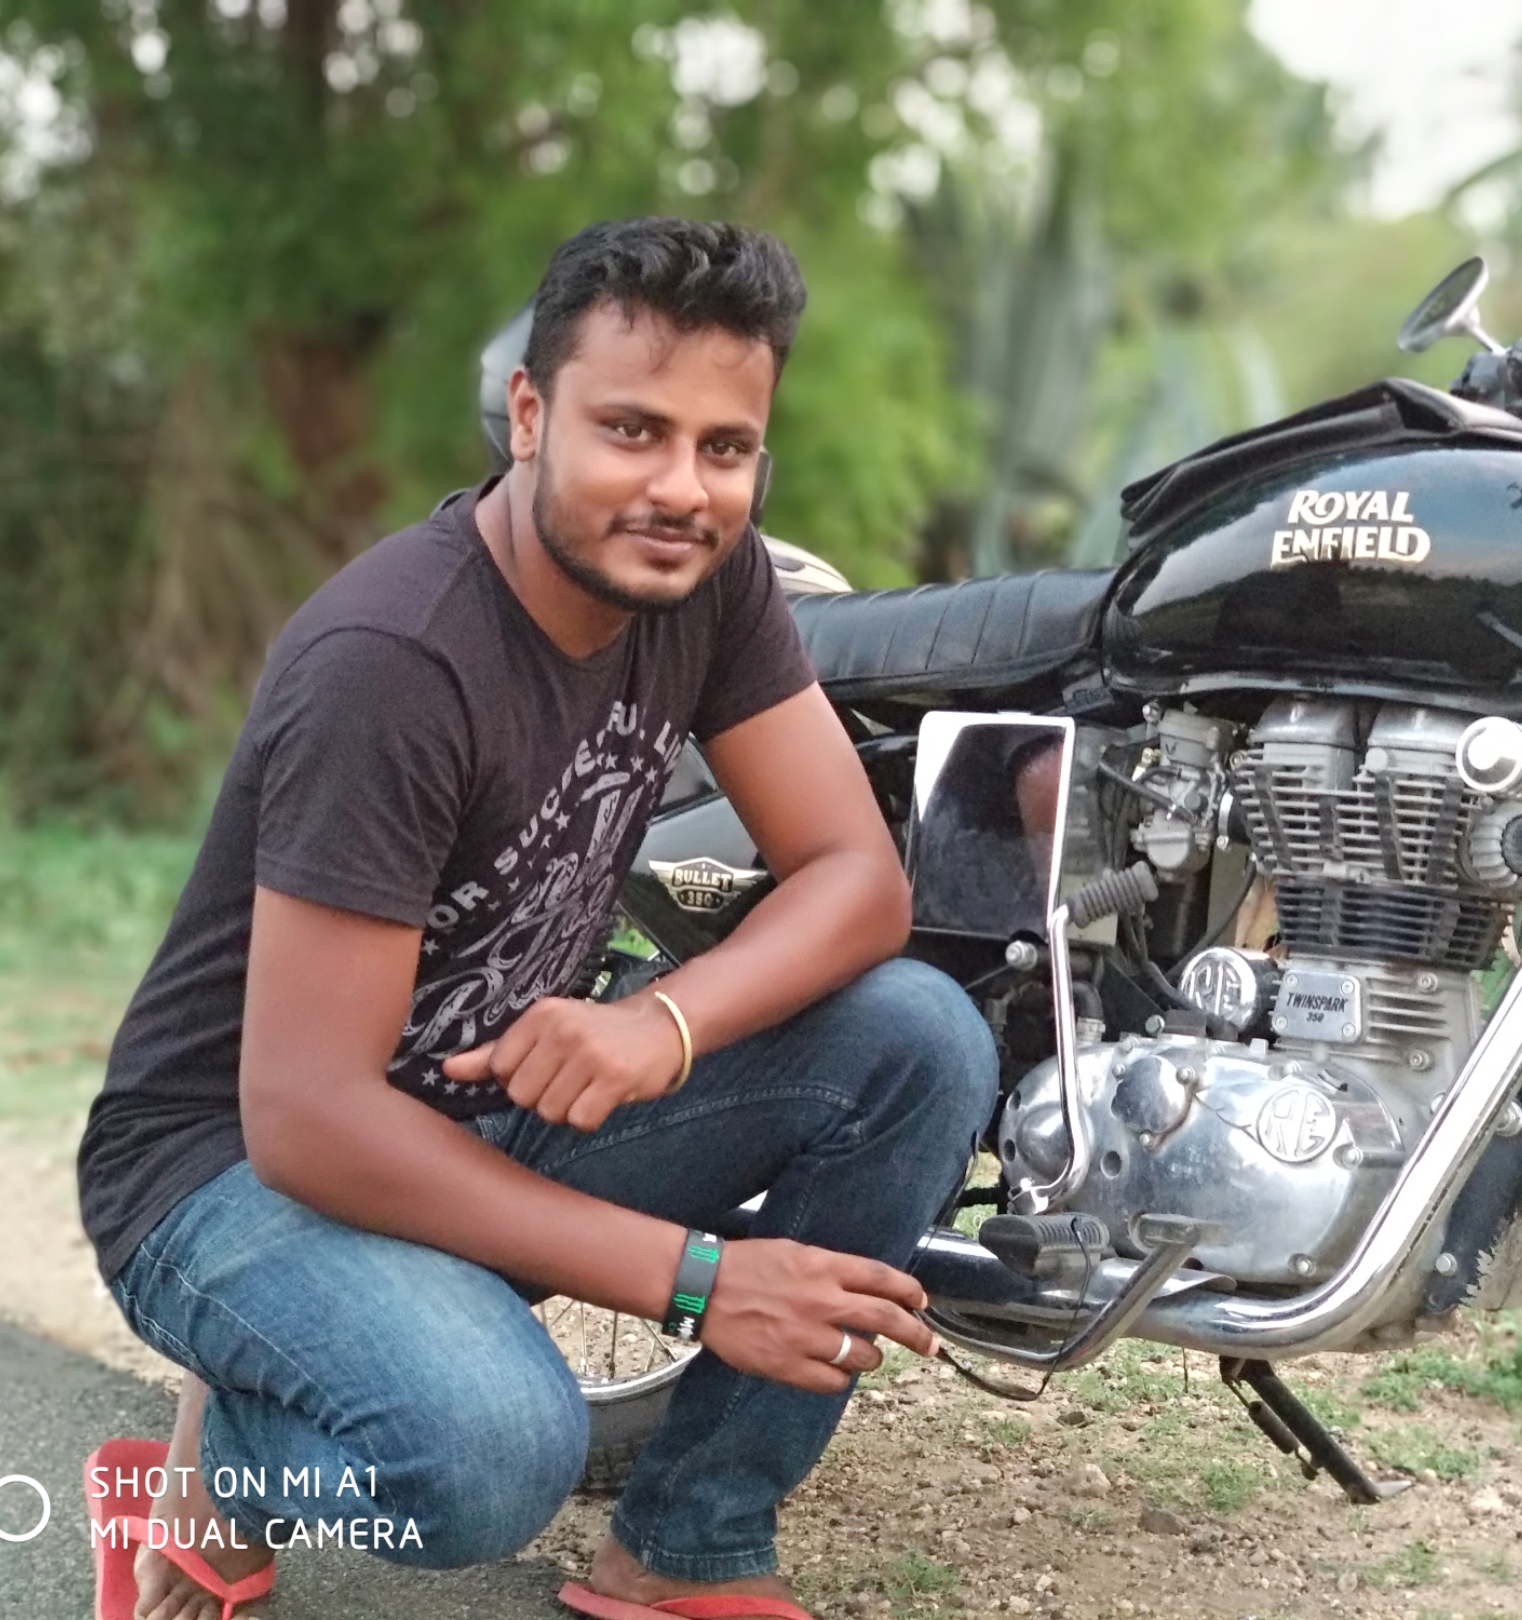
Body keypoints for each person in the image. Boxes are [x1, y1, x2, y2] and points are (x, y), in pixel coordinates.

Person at [75, 216, 997, 1620]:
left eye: (726, 447)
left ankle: (686, 1548)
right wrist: (702, 1281)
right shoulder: (392, 663)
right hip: (231, 1171)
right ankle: (214, 1478)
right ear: (528, 416)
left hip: (489, 1105)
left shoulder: (707, 583)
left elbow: (858, 880)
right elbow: (309, 1117)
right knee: (488, 1460)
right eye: (631, 430)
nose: (680, 488)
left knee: (918, 1038)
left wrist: (660, 1025)